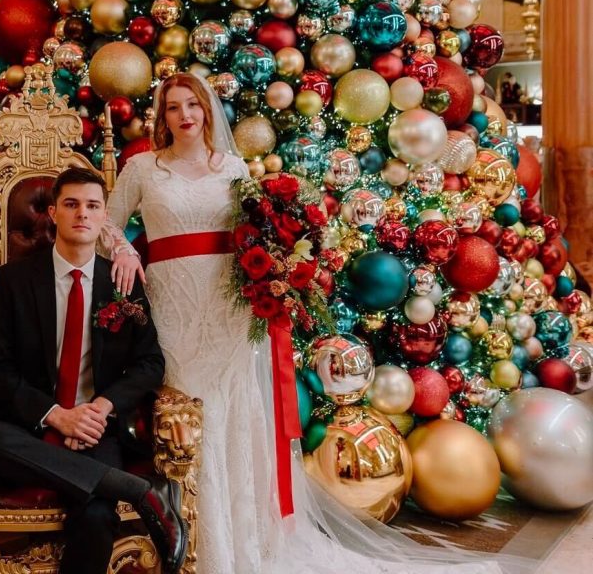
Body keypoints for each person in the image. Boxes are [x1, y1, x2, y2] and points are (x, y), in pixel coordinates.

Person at [105, 73, 531, 574]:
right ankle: (196, 538)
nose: (185, 116)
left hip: (228, 307)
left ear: (205, 111)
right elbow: (105, 223)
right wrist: (123, 250)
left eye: (192, 105)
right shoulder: (143, 169)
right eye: (173, 107)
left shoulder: (234, 168)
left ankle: (244, 541)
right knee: (190, 411)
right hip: (174, 307)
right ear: (162, 117)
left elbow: (255, 231)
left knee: (235, 408)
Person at [0, 166, 188, 574]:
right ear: (53, 212)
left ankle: (111, 485)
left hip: (93, 426)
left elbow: (150, 363)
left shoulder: (122, 283)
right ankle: (138, 491)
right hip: (26, 423)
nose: (81, 213)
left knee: (97, 514)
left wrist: (101, 407)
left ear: (104, 217)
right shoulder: (14, 281)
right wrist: (56, 416)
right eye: (71, 204)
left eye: (92, 206)